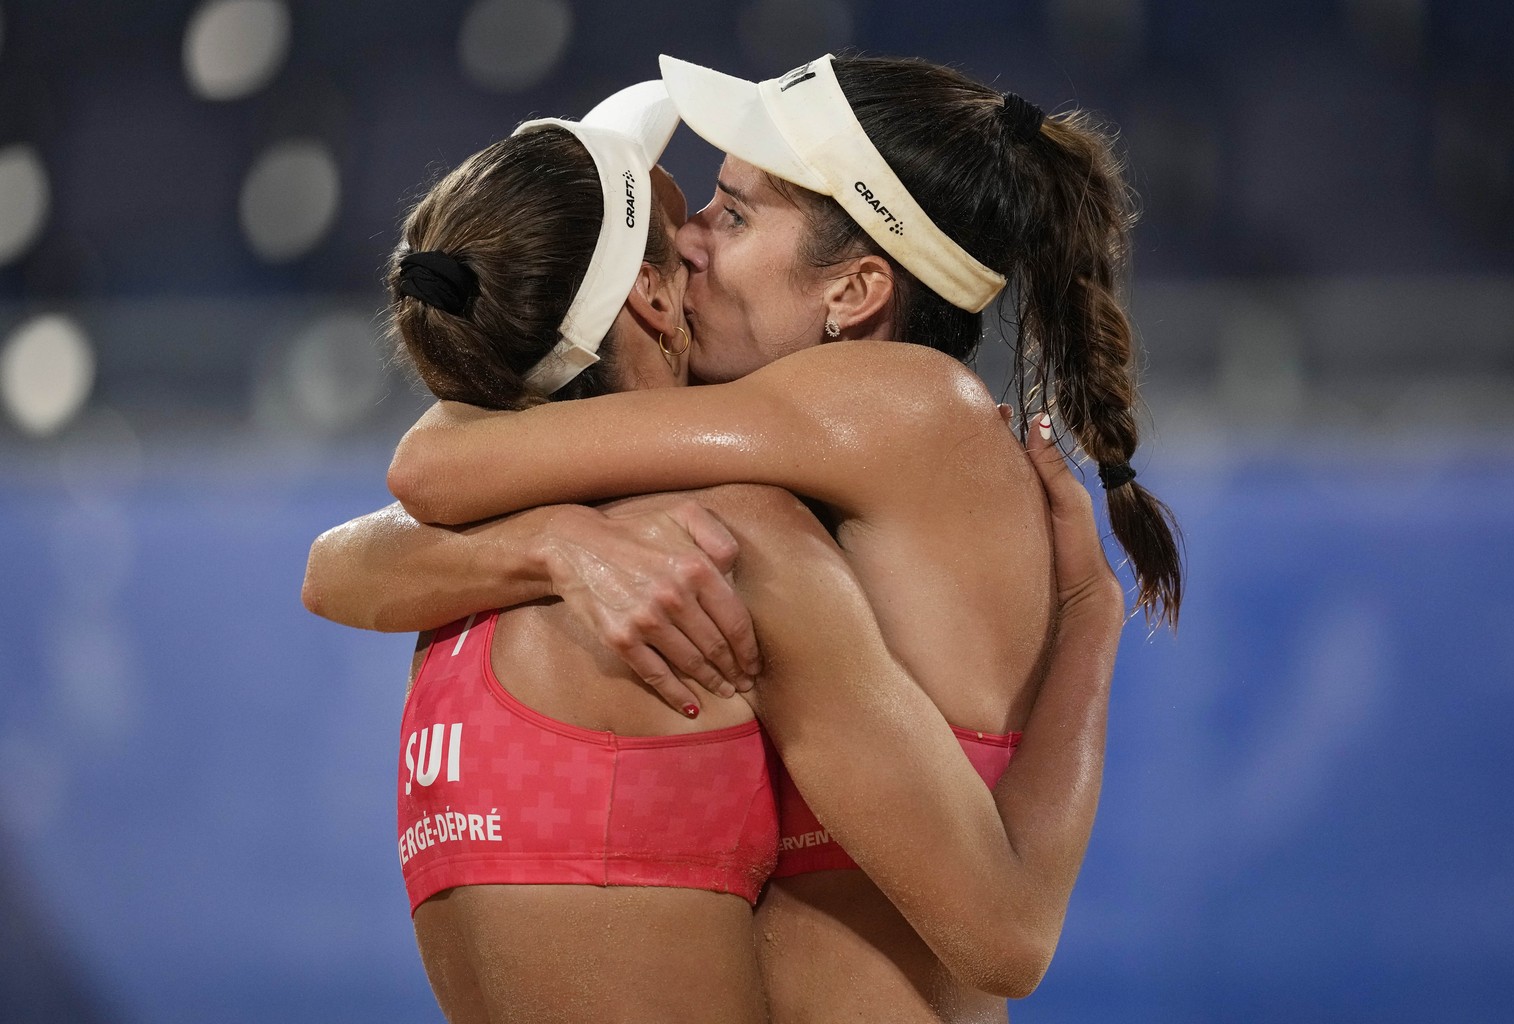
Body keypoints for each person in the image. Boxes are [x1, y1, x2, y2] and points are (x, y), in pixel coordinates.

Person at [307, 55, 1180, 1023]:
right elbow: (342, 561)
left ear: (854, 292)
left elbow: (433, 469)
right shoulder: (780, 458)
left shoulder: (895, 401)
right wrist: (554, 544)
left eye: (733, 214)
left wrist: (1092, 613)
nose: (686, 244)